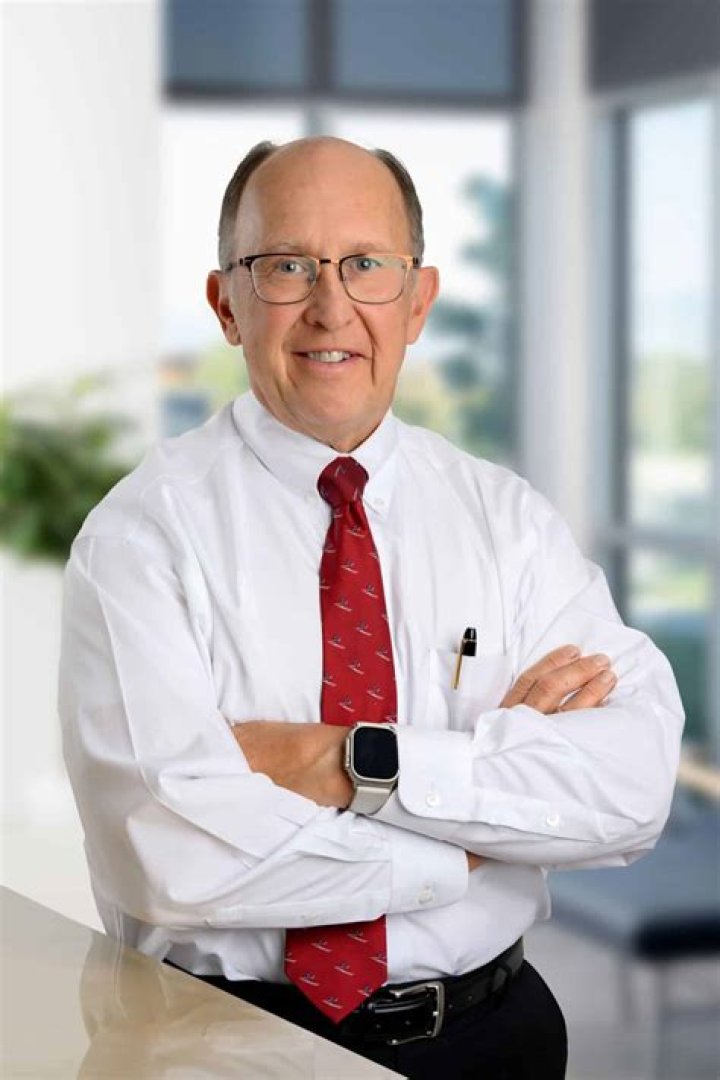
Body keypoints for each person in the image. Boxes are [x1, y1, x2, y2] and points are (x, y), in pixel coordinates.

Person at [60, 137, 683, 1079]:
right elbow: (170, 855)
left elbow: (629, 786)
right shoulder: (139, 538)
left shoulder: (507, 522)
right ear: (225, 304)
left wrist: (346, 763)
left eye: (366, 265)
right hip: (221, 1050)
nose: (331, 306)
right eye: (286, 267)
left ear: (418, 300)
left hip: (491, 1040)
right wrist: (470, 842)